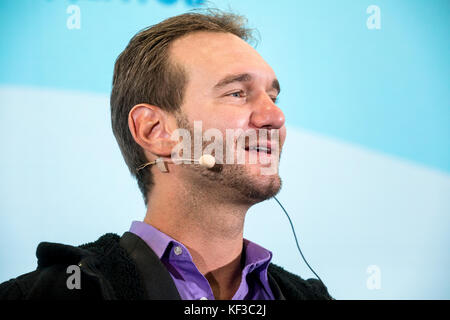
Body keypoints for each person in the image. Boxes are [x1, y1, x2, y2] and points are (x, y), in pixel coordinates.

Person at [0, 9, 332, 300]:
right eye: (237, 93)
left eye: (273, 97)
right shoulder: (53, 293)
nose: (275, 117)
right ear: (154, 130)